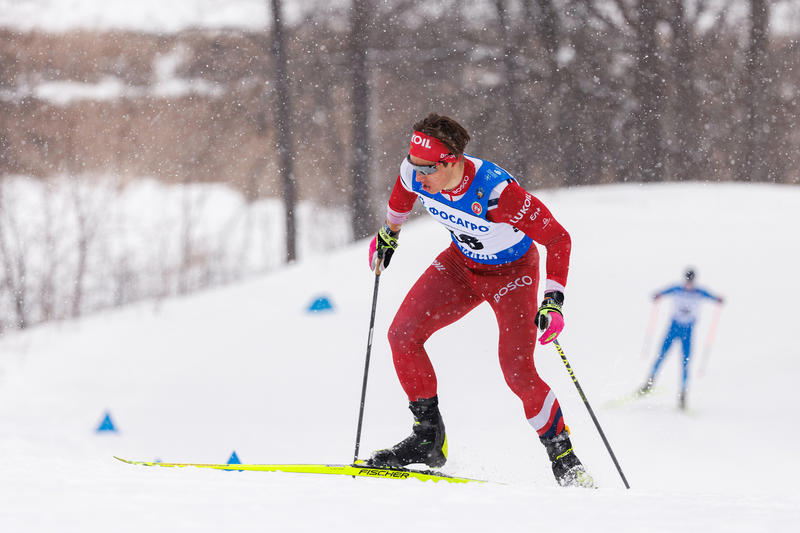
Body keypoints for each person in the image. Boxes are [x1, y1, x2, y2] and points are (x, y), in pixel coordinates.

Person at [365, 113, 594, 488]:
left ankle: (566, 462)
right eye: (413, 166)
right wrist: (390, 232)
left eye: (426, 170)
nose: (417, 176)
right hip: (460, 266)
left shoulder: (497, 194)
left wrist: (553, 301)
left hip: (512, 275)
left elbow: (558, 238)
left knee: (517, 372)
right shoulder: (416, 171)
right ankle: (427, 441)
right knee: (402, 335)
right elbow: (403, 194)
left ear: (451, 161)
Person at [639, 268, 724, 409]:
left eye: (691, 282)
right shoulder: (677, 288)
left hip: (688, 331)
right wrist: (657, 296)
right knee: (661, 355)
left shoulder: (699, 292)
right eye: (687, 281)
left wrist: (718, 299)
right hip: (673, 328)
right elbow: (662, 292)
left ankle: (683, 395)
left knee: (685, 362)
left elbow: (712, 297)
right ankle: (649, 384)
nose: (688, 284)